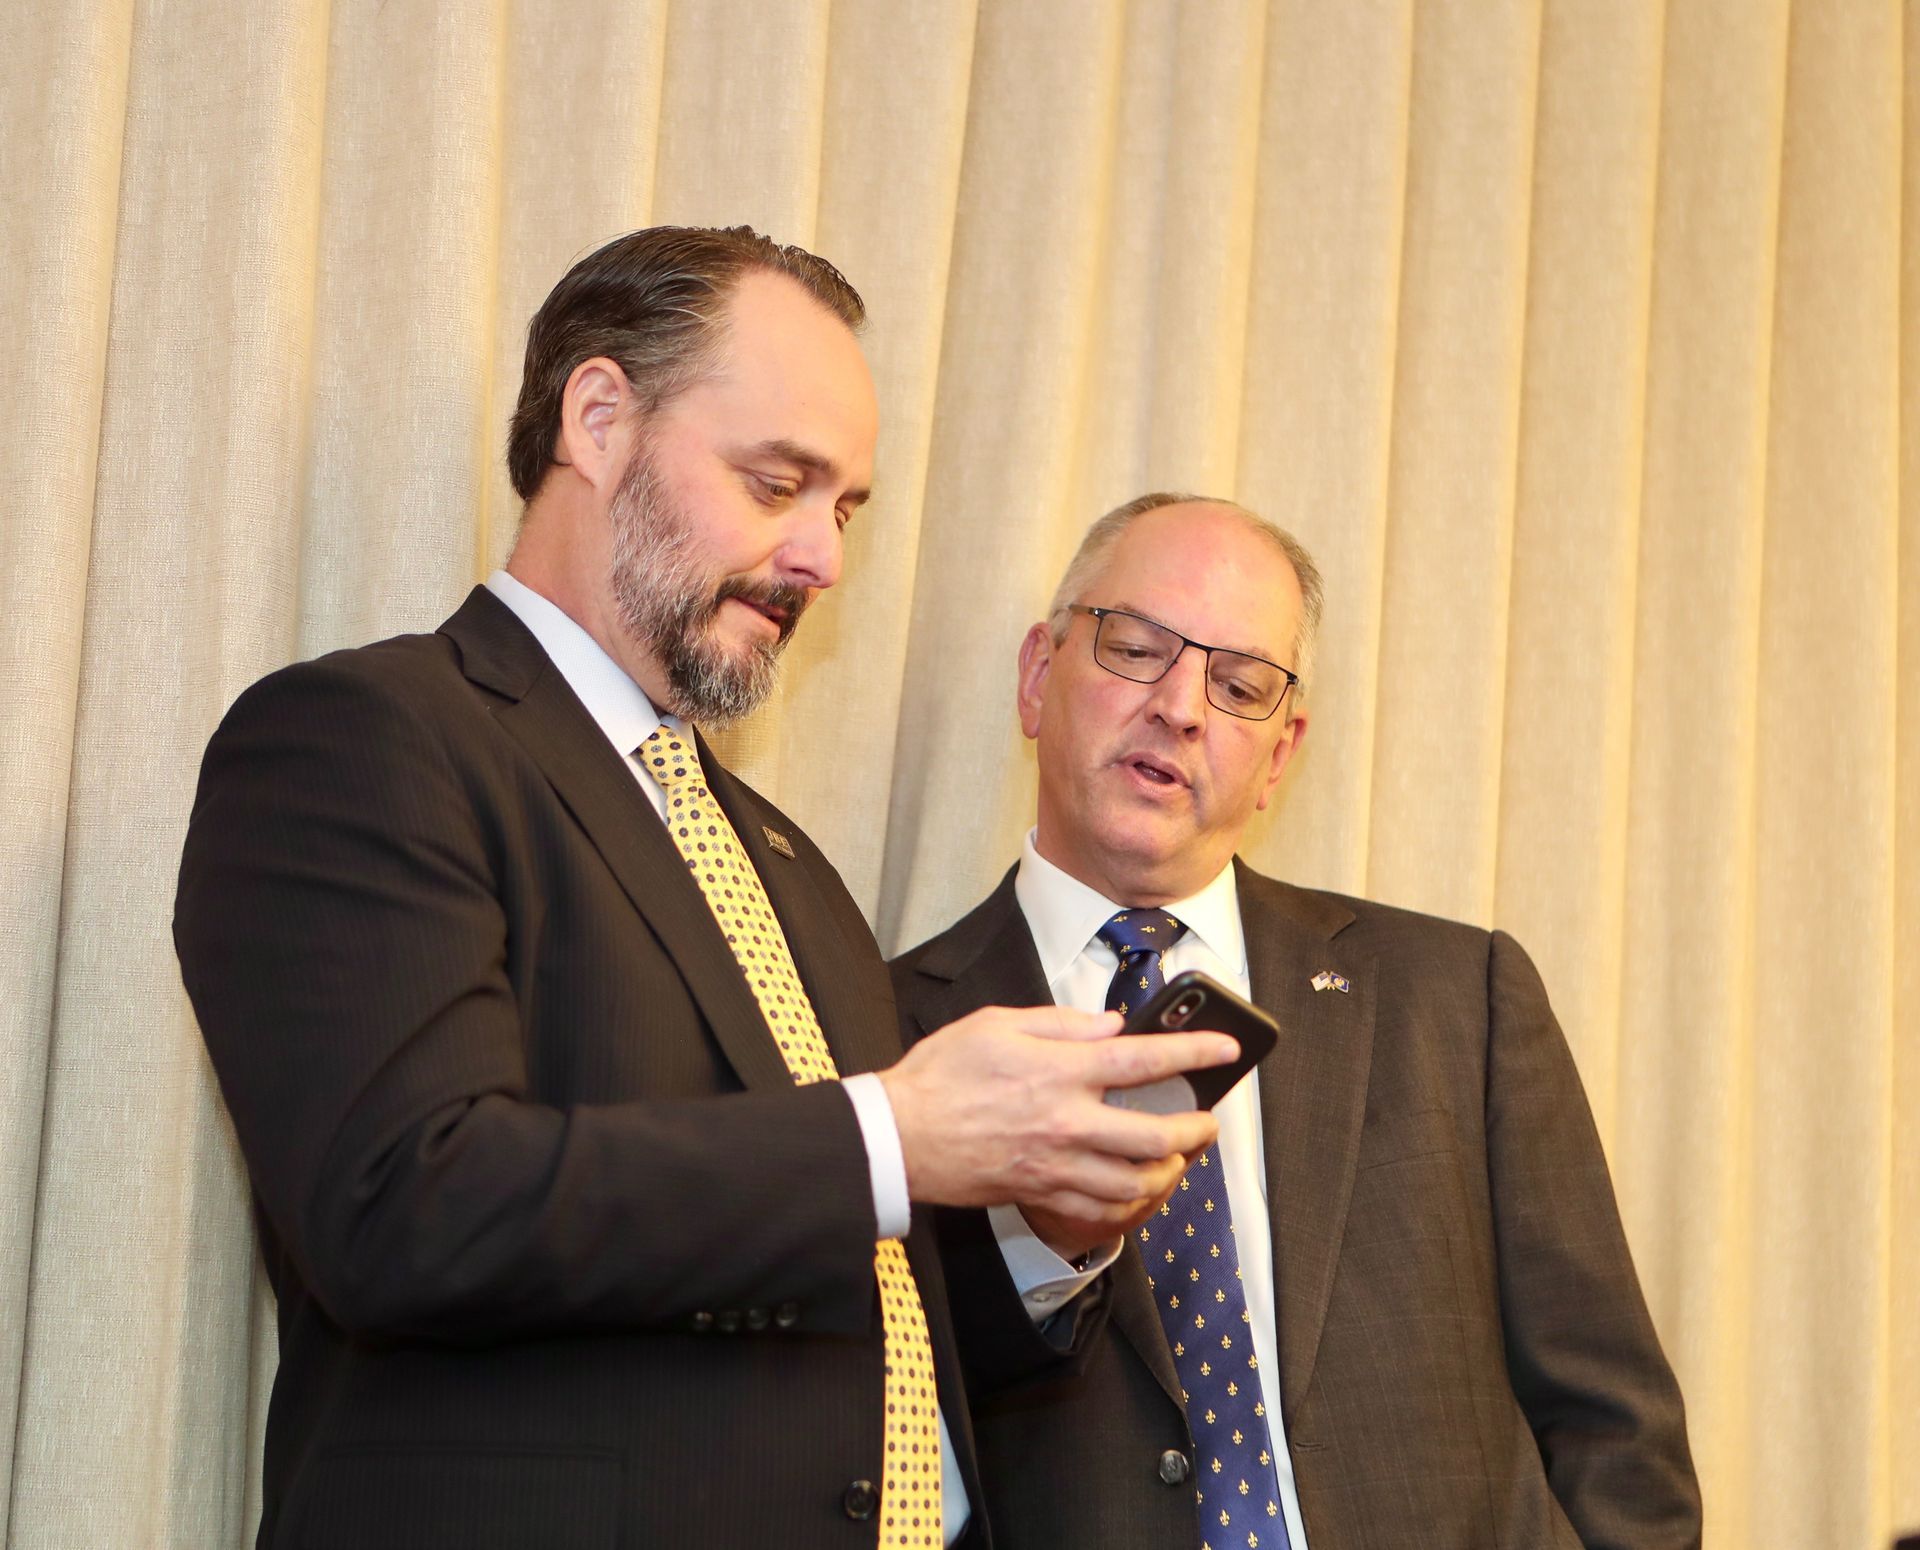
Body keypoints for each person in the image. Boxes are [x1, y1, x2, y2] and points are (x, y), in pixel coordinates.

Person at [173, 229, 1235, 1550]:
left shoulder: (785, 863)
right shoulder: (365, 739)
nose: (822, 559)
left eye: (843, 507)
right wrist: (894, 1138)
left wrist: (1036, 1234)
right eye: (776, 481)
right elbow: (404, 1205)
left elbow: (843, 1304)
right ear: (599, 418)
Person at [890, 493, 1703, 1550]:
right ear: (1038, 675)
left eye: (1238, 686)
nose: (1181, 706)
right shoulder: (889, 1033)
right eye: (1137, 648)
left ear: (1280, 754)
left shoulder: (1459, 996)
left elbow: (1614, 1422)